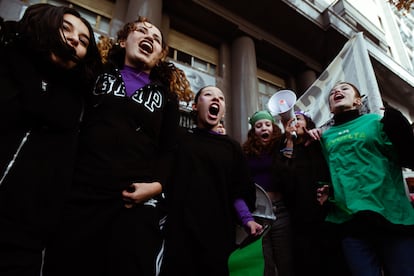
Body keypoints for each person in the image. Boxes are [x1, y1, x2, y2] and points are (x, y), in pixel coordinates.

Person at [42, 17, 193, 276]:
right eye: (142, 32)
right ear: (123, 41)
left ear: (159, 56)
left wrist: (157, 185)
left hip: (131, 205)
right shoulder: (95, 75)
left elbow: (169, 149)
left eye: (156, 38)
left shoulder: (166, 97)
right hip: (82, 196)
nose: (150, 38)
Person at [0, 4, 102, 275]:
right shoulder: (7, 64)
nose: (73, 40)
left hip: (24, 241)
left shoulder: (80, 103)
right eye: (66, 29)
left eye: (83, 41)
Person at [160, 85, 263, 276]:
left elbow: (237, 190)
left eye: (221, 98)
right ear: (194, 106)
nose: (216, 100)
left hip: (218, 234)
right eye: (208, 95)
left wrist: (247, 219)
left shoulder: (232, 148)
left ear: (223, 111)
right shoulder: (181, 139)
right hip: (180, 232)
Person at [315, 81, 414, 276]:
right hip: (350, 222)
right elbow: (326, 173)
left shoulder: (376, 122)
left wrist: (397, 122)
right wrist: (326, 190)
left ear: (358, 101)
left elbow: (407, 155)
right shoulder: (324, 137)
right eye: (332, 92)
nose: (337, 92)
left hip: (391, 216)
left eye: (344, 89)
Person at [274, 110, 350, 276]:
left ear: (308, 123)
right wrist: (289, 141)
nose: (294, 122)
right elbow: (283, 179)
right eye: (291, 121)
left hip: (325, 215)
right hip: (299, 219)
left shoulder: (318, 143)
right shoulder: (284, 147)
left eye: (298, 119)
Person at [242, 110, 294, 276]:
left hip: (280, 211)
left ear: (273, 128)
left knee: (285, 260)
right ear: (253, 131)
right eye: (258, 126)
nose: (263, 128)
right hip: (258, 213)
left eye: (267, 124)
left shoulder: (281, 147)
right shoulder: (246, 152)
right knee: (265, 263)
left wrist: (289, 139)